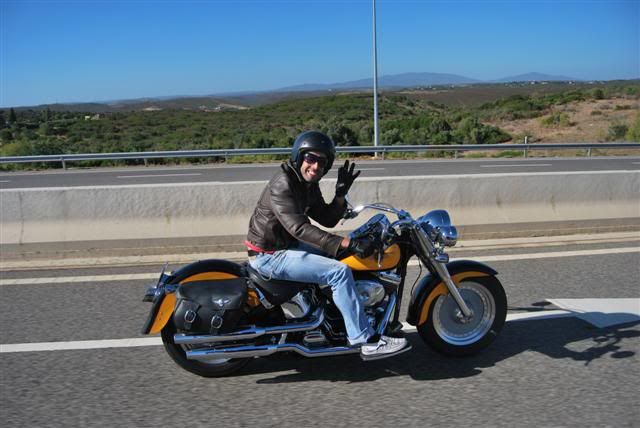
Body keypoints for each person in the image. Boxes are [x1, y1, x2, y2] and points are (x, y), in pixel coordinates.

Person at [246, 130, 410, 360]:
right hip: (270, 255)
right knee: (339, 272)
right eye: (310, 158)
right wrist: (348, 243)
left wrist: (340, 195)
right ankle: (363, 339)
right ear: (298, 157)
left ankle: (335, 320)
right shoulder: (283, 184)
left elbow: (327, 218)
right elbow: (299, 228)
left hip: (285, 246)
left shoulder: (306, 183)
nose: (315, 166)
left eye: (322, 162)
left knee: (338, 258)